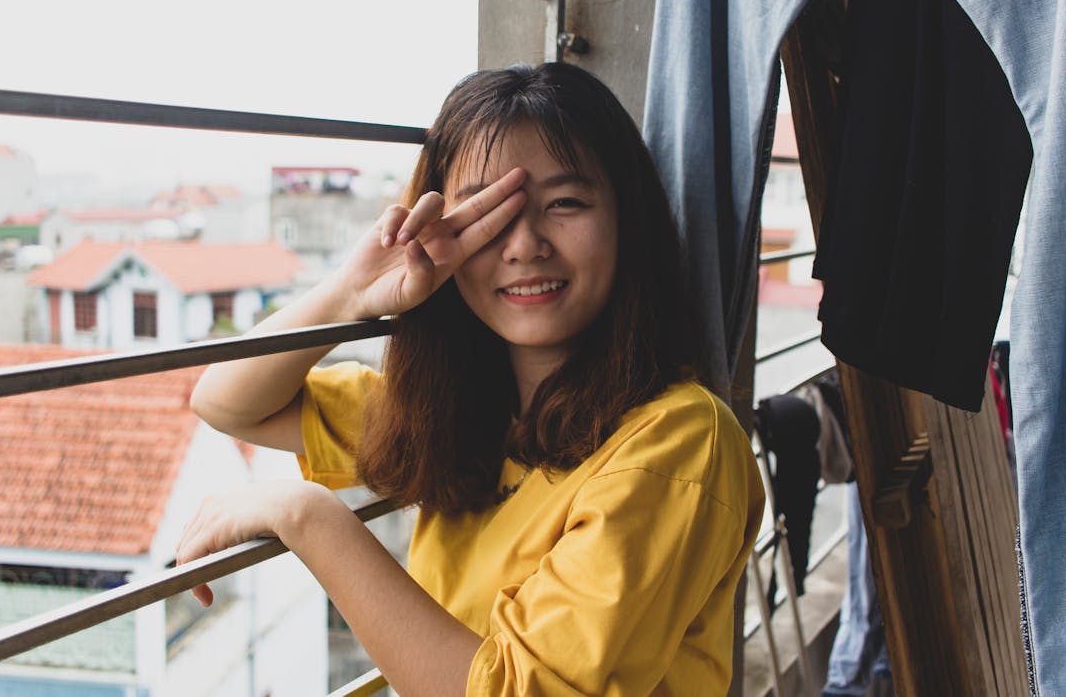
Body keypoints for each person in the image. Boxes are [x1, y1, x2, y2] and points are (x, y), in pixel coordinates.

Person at [178, 62, 765, 696]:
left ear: (628, 219)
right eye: (490, 214)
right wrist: (351, 293)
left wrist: (308, 517)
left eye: (565, 203)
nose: (524, 245)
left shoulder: (676, 443)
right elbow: (227, 402)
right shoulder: (459, 411)